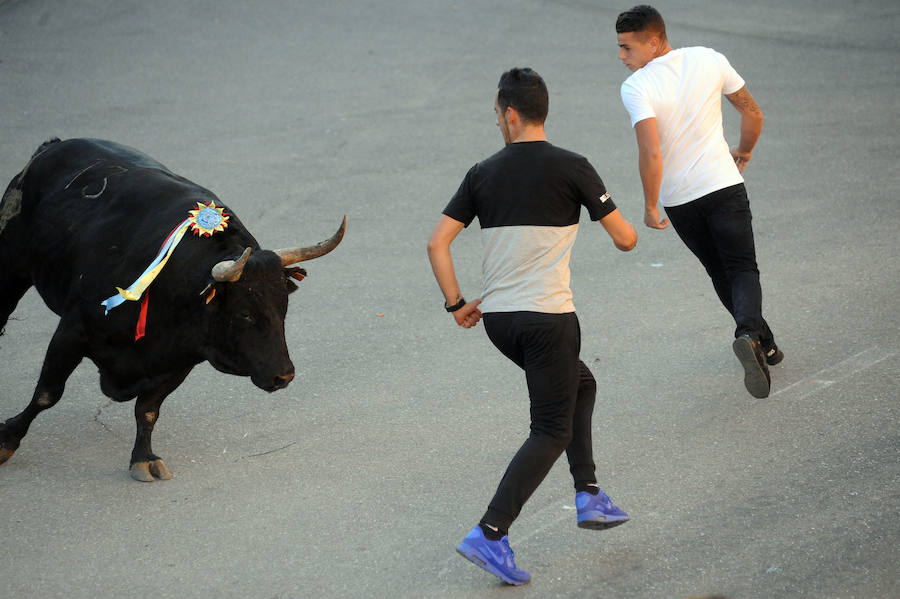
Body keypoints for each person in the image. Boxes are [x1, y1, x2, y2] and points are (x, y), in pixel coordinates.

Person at [427, 67, 638, 586]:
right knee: (550, 428)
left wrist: (457, 304)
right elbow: (626, 239)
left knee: (581, 386)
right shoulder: (574, 167)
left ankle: (589, 494)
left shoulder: (482, 172)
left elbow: (437, 244)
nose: (496, 122)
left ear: (511, 114)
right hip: (548, 320)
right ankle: (491, 532)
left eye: (496, 115)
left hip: (502, 321)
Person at [615, 5, 782, 399]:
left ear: (652, 43)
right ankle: (749, 335)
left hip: (681, 202)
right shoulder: (709, 58)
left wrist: (651, 205)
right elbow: (753, 113)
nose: (621, 56)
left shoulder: (637, 88)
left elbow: (651, 153)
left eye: (626, 47)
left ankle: (766, 345)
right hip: (723, 186)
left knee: (720, 273)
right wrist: (744, 150)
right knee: (742, 269)